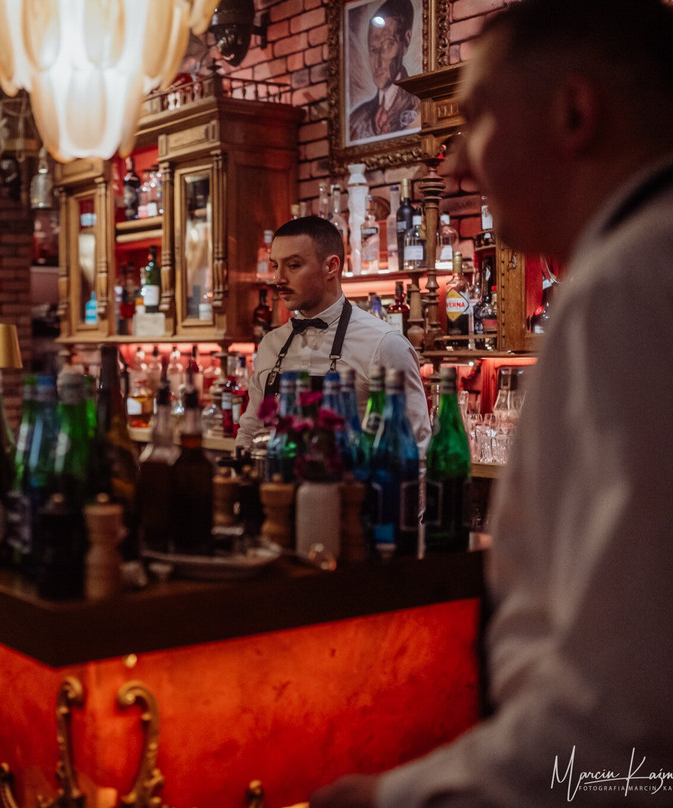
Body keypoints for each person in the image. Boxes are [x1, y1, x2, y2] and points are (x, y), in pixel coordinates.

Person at [309, 0, 673, 805]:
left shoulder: (625, 287)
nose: (454, 170)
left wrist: (396, 799)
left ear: (573, 112)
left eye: (475, 120)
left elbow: (624, 711)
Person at [235, 216, 430, 455]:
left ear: (331, 267)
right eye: (276, 266)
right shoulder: (270, 345)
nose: (279, 279)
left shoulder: (384, 344)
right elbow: (251, 431)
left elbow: (416, 446)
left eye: (293, 265)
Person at [348, 0, 421, 143]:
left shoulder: (420, 105)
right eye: (373, 50)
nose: (378, 62)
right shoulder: (355, 119)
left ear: (405, 42)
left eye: (387, 46)